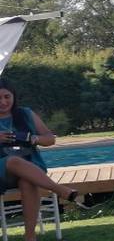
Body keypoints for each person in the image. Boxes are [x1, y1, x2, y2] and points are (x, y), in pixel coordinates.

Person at [0, 79, 89, 241]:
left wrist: (34, 139)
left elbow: (50, 139)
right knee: (12, 161)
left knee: (28, 181)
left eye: (7, 96)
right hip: (2, 171)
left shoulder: (25, 114)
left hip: (31, 166)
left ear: (13, 96)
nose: (3, 102)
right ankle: (59, 189)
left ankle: (30, 236)